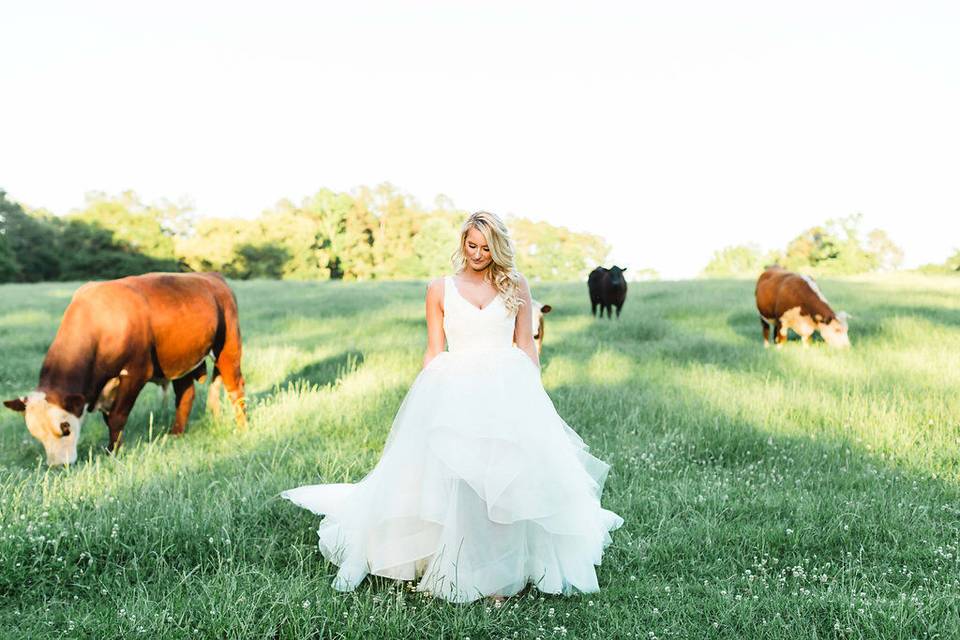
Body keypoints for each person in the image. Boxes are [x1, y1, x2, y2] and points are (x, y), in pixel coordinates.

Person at [282, 211, 623, 603]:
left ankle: (500, 574)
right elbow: (433, 350)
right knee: (456, 479)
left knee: (503, 481)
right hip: (454, 388)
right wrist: (425, 402)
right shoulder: (439, 288)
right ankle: (452, 559)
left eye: (485, 247)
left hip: (507, 389)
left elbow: (526, 344)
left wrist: (533, 391)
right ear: (463, 243)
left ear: (498, 247)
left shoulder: (516, 284)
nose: (477, 254)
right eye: (471, 245)